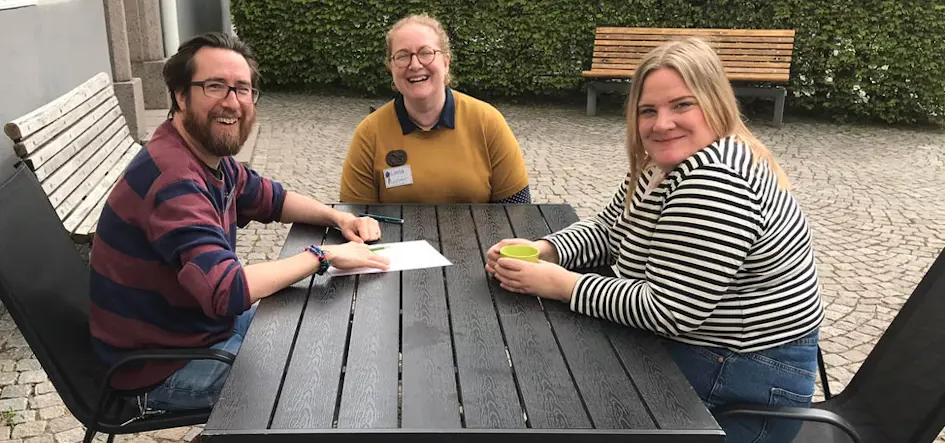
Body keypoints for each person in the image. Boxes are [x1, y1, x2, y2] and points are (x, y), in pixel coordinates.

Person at [484, 37, 824, 443]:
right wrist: (545, 248)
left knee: (570, 388)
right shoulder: (661, 164)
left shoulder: (715, 183)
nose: (662, 123)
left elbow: (669, 311)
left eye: (682, 105)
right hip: (708, 346)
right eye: (649, 110)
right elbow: (609, 229)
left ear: (715, 103)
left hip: (747, 375)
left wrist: (559, 283)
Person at [88, 32, 390, 413]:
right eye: (215, 86)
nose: (232, 102)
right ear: (181, 96)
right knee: (317, 378)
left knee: (318, 318)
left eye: (242, 89)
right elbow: (226, 290)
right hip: (161, 368)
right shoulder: (173, 178)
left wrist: (339, 217)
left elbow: (273, 199)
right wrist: (322, 255)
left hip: (196, 333)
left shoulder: (207, 158)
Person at [339, 13, 531, 204]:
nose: (414, 65)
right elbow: (356, 219)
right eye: (403, 56)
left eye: (426, 53)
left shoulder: (487, 122)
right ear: (391, 67)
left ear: (446, 62)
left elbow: (518, 211)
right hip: (395, 236)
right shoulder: (369, 133)